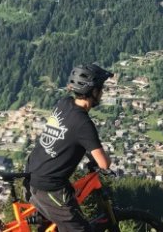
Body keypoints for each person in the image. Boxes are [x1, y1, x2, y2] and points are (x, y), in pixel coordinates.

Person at [25, 62, 113, 232]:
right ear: (93, 91)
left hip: (31, 176)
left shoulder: (64, 103)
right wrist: (104, 158)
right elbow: (104, 164)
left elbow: (66, 137)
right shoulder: (84, 125)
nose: (102, 93)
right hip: (49, 189)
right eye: (101, 89)